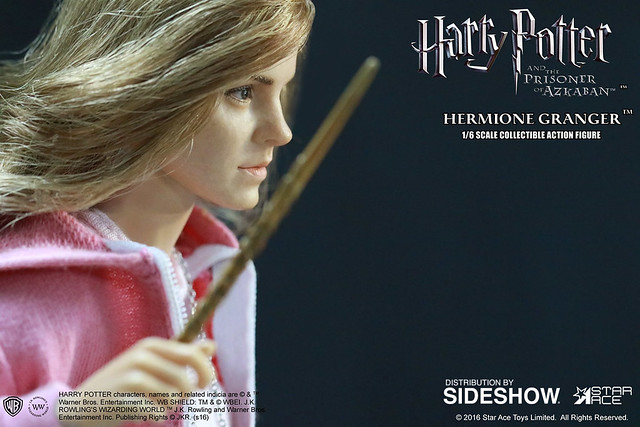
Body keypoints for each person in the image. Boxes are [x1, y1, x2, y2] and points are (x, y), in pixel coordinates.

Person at [0, 0, 314, 426]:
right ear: (149, 86)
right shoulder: (27, 288)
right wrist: (70, 412)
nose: (281, 131)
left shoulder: (202, 271)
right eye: (242, 92)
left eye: (282, 90)